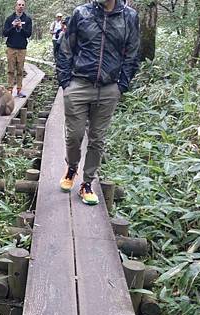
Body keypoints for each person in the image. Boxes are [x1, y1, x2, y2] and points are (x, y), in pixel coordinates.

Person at [57, 0, 140, 205]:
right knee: (74, 135)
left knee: (97, 138)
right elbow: (66, 47)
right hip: (78, 84)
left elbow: (133, 53)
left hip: (109, 87)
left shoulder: (129, 16)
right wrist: (65, 82)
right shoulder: (81, 13)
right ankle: (72, 167)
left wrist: (121, 85)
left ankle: (87, 183)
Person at [3, 0, 32, 98]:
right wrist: (13, 26)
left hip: (22, 48)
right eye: (19, 5)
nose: (21, 6)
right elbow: (5, 33)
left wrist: (21, 27)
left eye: (22, 5)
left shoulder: (27, 19)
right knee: (10, 70)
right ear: (15, 6)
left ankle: (19, 90)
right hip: (11, 47)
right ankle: (10, 90)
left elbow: (28, 34)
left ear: (24, 7)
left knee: (20, 70)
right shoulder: (9, 18)